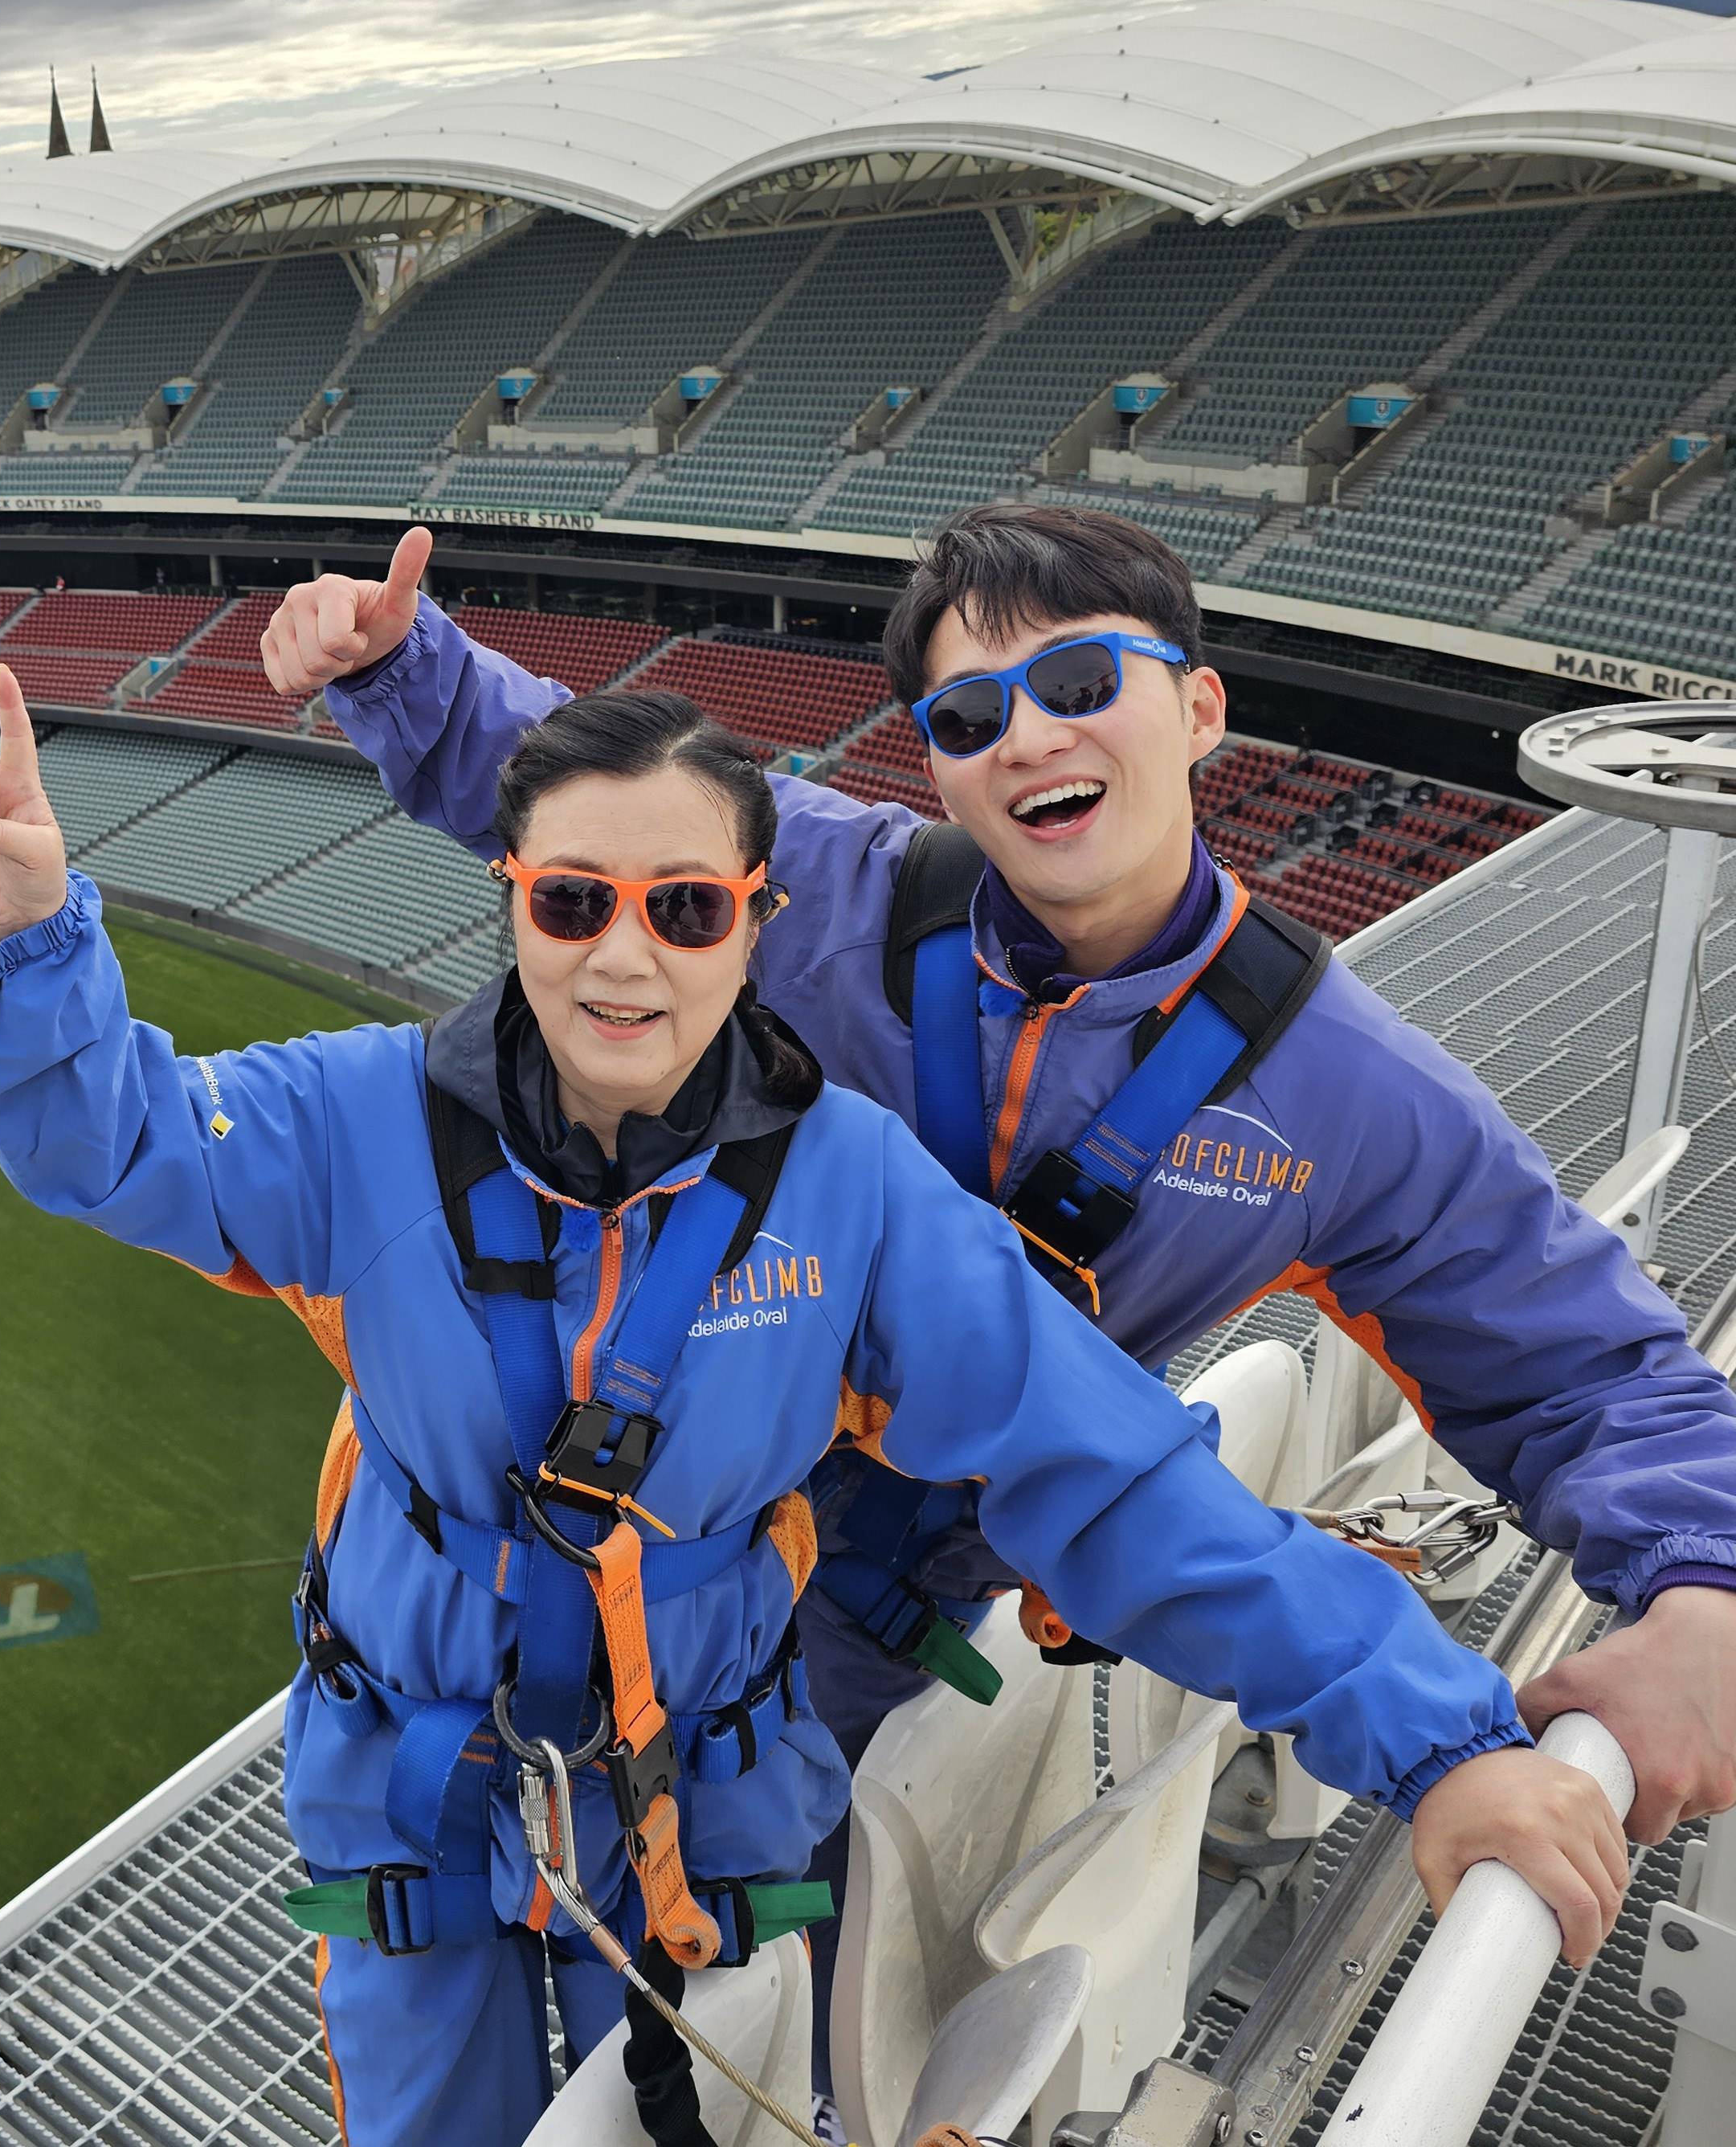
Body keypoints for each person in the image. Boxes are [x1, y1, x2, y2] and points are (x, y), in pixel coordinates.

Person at [0, 652, 1626, 2147]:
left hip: (699, 1805)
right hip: (410, 1790)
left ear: (755, 922)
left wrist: (1438, 1744)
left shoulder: (849, 1195)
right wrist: (27, 933)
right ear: (509, 899)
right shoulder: (357, 1119)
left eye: (684, 908)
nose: (623, 958)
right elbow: (109, 1137)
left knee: (696, 2114)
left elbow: (1113, 1478)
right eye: (570, 903)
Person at [270, 506, 1736, 1838]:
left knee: (735, 1962)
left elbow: (1574, 1362)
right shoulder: (835, 890)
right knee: (453, 1889)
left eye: (1083, 682)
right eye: (972, 715)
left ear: (1201, 709)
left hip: (855, 1635)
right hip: (599, 1520)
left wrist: (1705, 1590)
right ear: (939, 768)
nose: (1029, 737)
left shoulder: (1344, 1092)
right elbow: (584, 785)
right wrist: (399, 667)